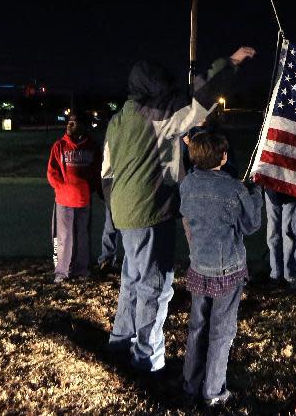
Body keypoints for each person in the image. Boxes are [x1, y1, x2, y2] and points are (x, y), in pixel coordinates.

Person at [102, 45, 255, 373]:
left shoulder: (117, 120)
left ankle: (120, 339)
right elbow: (201, 104)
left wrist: (117, 205)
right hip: (150, 212)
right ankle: (147, 358)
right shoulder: (159, 116)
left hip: (123, 212)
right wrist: (230, 63)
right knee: (154, 286)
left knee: (132, 278)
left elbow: (107, 171)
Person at [179, 131, 263, 407]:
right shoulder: (234, 189)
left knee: (197, 326)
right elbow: (251, 224)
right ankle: (213, 390)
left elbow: (188, 217)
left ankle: (190, 383)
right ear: (223, 156)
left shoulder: (188, 183)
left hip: (198, 264)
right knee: (221, 331)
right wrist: (256, 194)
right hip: (227, 267)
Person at [46, 112, 102, 283]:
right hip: (64, 201)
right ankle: (61, 272)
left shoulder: (92, 146)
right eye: (69, 122)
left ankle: (82, 270)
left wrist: (89, 189)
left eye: (74, 122)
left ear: (83, 125)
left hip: (84, 200)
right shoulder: (59, 145)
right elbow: (51, 172)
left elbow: (97, 171)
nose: (69, 125)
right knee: (63, 237)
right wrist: (62, 188)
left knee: (82, 237)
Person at [264, 188, 296, 288]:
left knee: (289, 233)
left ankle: (290, 275)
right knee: (273, 233)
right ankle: (276, 274)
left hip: (292, 188)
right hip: (272, 187)